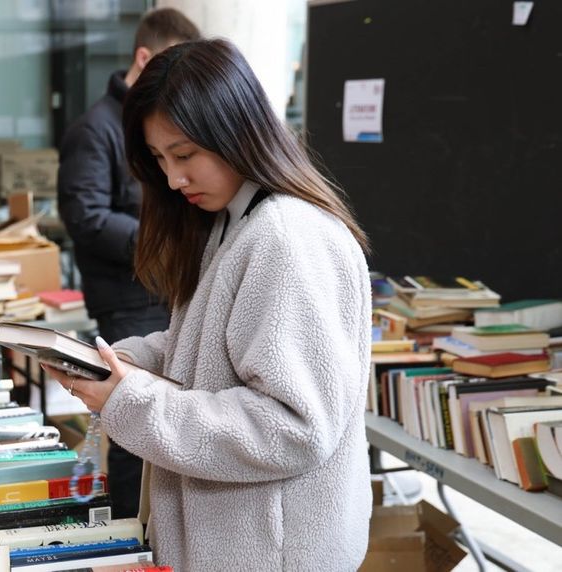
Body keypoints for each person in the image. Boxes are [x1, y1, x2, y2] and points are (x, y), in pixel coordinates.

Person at [45, 39, 373, 570]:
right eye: (158, 159)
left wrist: (132, 400)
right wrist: (125, 364)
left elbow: (293, 427)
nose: (173, 179)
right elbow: (211, 348)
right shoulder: (236, 223)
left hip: (271, 554)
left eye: (184, 155)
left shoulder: (286, 238)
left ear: (235, 131)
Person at [56, 7, 200, 520]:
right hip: (127, 296)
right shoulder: (95, 129)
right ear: (145, 57)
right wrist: (163, 239)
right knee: (130, 427)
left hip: (165, 291)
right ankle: (126, 532)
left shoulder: (149, 124)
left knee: (159, 419)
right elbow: (86, 217)